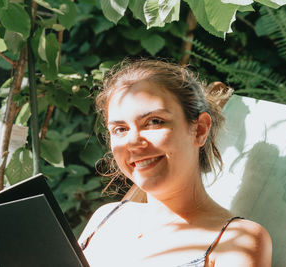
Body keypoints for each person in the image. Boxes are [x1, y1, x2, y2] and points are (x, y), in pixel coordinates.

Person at [78, 59, 272, 267]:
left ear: (199, 130)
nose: (133, 142)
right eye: (120, 129)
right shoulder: (106, 219)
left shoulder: (237, 241)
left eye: (154, 121)